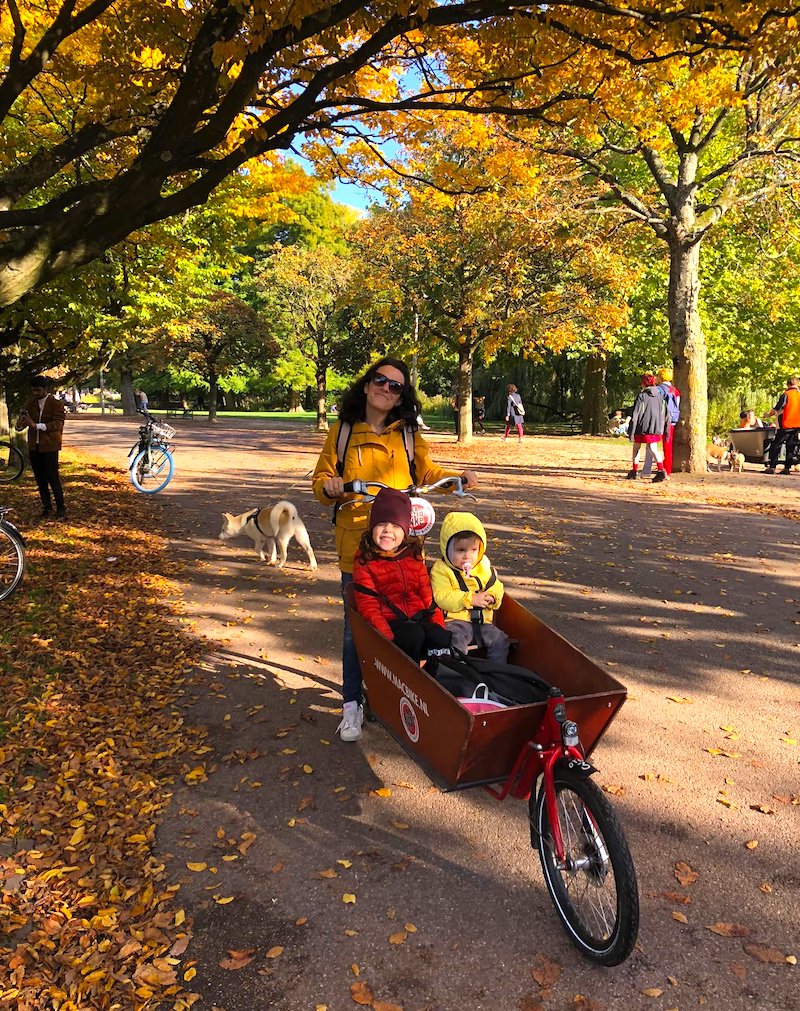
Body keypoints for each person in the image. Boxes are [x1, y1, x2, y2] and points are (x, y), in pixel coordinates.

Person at [312, 357, 478, 742]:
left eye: (396, 386)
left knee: (414, 618)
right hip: (358, 545)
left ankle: (410, 696)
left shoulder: (406, 435)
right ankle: (351, 704)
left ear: (402, 395)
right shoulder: (342, 432)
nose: (386, 390)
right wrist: (331, 485)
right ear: (367, 384)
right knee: (359, 630)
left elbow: (429, 473)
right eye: (381, 381)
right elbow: (322, 479)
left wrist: (456, 479)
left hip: (402, 549)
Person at [351, 488, 452, 669]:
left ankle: (438, 682)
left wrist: (437, 624)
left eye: (396, 526)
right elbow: (368, 605)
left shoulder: (412, 556)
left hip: (417, 617)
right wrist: (386, 637)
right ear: (372, 527)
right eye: (382, 524)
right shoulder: (365, 560)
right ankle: (409, 684)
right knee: (412, 635)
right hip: (390, 623)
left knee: (440, 636)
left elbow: (427, 595)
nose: (388, 531)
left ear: (404, 531)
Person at [430, 512, 510, 663]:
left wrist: (493, 597)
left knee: (500, 640)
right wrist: (471, 599)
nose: (467, 556)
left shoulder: (483, 566)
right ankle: (460, 674)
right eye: (460, 550)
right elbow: (442, 597)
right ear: (447, 549)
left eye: (473, 550)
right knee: (455, 641)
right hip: (456, 622)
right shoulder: (441, 570)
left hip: (482, 623)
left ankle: (496, 673)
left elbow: (496, 585)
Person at [15, 375, 67, 520]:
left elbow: (58, 424)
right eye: (33, 390)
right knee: (40, 479)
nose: (35, 393)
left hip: (50, 446)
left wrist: (36, 426)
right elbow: (20, 425)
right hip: (34, 446)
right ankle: (47, 507)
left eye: (38, 390)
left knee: (53, 478)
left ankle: (61, 508)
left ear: (45, 389)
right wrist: (21, 423)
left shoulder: (56, 404)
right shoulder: (30, 403)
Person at [627, 373, 670, 482]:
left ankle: (635, 470)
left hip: (641, 427)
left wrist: (631, 431)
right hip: (655, 427)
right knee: (653, 449)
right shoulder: (660, 397)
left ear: (644, 383)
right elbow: (666, 414)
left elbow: (635, 414)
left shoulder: (642, 396)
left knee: (636, 448)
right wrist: (665, 430)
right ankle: (661, 470)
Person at [764, 376, 800, 475]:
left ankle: (772, 467)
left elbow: (777, 408)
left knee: (776, 445)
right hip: (797, 425)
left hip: (786, 424)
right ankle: (787, 468)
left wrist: (767, 415)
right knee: (791, 446)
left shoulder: (786, 394)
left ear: (788, 384)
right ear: (797, 384)